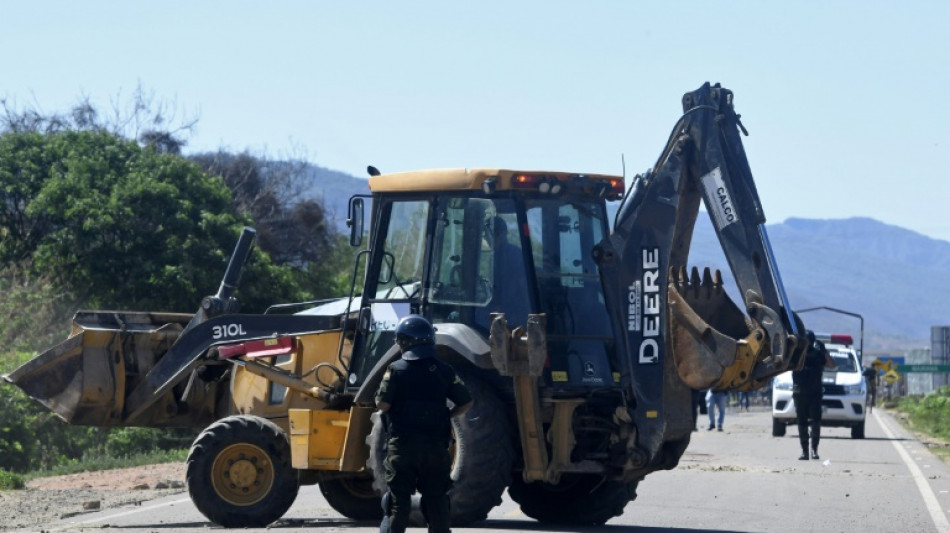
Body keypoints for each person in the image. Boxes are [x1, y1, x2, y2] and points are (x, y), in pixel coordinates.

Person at [376, 315, 473, 533]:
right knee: (437, 500)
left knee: (397, 500)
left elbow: (382, 404)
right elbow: (466, 402)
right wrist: (448, 415)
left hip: (402, 447)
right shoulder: (445, 370)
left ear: (402, 342)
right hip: (435, 448)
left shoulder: (396, 369)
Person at [792, 330, 836, 460]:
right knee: (802, 422)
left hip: (814, 393)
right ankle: (804, 451)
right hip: (800, 392)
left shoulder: (818, 354)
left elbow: (832, 365)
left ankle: (814, 450)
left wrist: (824, 351)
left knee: (816, 421)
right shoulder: (796, 354)